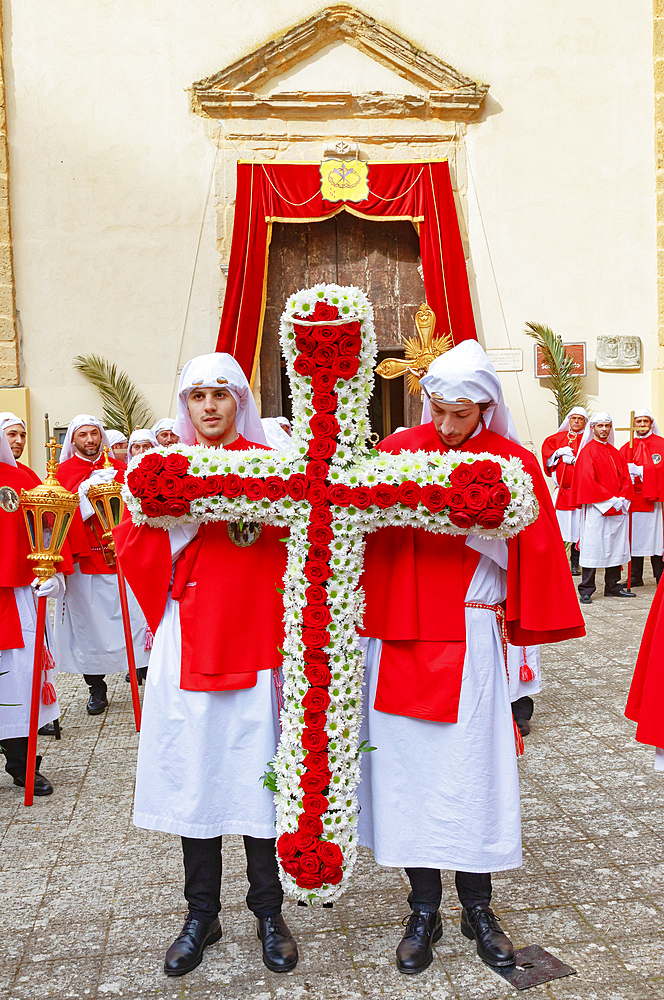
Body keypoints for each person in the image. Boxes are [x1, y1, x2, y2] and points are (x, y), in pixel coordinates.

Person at [358, 341, 585, 974]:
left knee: (474, 774)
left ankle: (478, 907)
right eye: (440, 411)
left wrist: (479, 526)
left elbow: (535, 552)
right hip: (401, 635)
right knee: (411, 776)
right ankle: (423, 906)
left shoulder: (511, 461)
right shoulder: (399, 454)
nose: (450, 427)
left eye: (463, 414)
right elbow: (366, 533)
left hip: (471, 635)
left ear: (486, 405)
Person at [115, 354, 298, 978]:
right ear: (185, 405)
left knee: (258, 781)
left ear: (239, 401)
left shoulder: (272, 469)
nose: (210, 406)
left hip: (259, 648)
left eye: (222, 394)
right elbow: (133, 549)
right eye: (198, 396)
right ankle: (201, 913)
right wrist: (182, 516)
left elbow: (299, 546)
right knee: (198, 778)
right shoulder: (162, 472)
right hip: (189, 643)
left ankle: (269, 911)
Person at [53, 414, 149, 714]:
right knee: (88, 630)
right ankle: (96, 687)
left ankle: (140, 675)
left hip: (122, 561)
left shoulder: (119, 470)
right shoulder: (63, 474)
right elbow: (56, 521)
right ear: (73, 440)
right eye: (83, 435)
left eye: (94, 433)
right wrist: (82, 496)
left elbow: (137, 512)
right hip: (85, 563)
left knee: (132, 623)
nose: (90, 440)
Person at [0, 428, 63, 795]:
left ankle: (24, 767)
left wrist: (52, 573)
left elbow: (47, 531)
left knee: (21, 680)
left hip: (18, 591)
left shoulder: (22, 480)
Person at [570, 413, 634, 603]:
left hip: (617, 507)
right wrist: (608, 500)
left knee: (615, 546)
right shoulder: (587, 451)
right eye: (600, 426)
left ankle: (613, 586)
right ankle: (587, 588)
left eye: (607, 426)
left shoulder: (615, 452)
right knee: (594, 547)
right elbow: (586, 480)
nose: (604, 429)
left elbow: (626, 479)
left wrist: (622, 499)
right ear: (593, 428)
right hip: (597, 508)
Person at [541, 407, 589, 575]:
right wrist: (558, 453)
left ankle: (575, 564)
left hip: (580, 493)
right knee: (559, 528)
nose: (576, 421)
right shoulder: (556, 439)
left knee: (577, 529)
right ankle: (558, 561)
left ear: (585, 421)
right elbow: (547, 462)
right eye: (573, 418)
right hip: (562, 491)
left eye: (580, 419)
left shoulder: (589, 440)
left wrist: (576, 460)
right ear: (568, 420)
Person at [619, 409, 664, 587]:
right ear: (633, 424)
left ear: (651, 423)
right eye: (639, 421)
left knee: (656, 538)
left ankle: (660, 577)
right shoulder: (626, 447)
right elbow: (618, 471)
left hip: (653, 500)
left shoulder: (661, 444)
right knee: (635, 538)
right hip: (634, 500)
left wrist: (642, 471)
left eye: (646, 421)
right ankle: (635, 577)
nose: (642, 424)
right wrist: (627, 473)